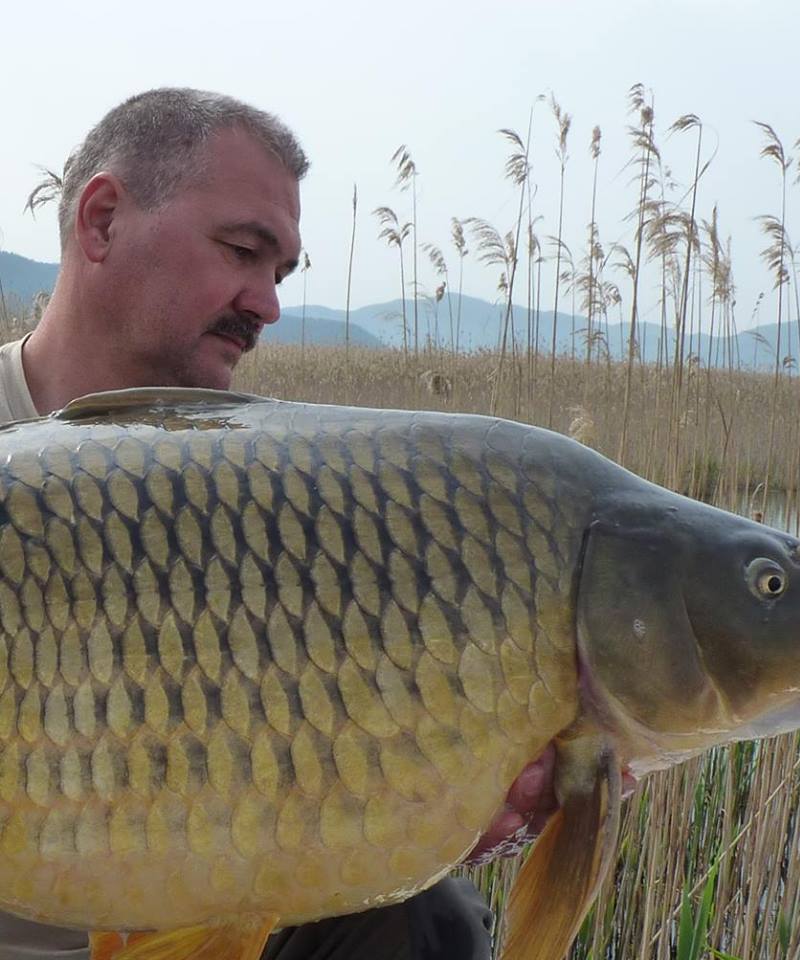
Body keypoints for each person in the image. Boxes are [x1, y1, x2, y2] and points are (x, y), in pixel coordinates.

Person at [0, 88, 560, 960]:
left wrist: (415, 827)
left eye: (282, 274)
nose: (265, 305)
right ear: (102, 222)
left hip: (219, 919)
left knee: (429, 920)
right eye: (243, 251)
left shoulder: (284, 494)